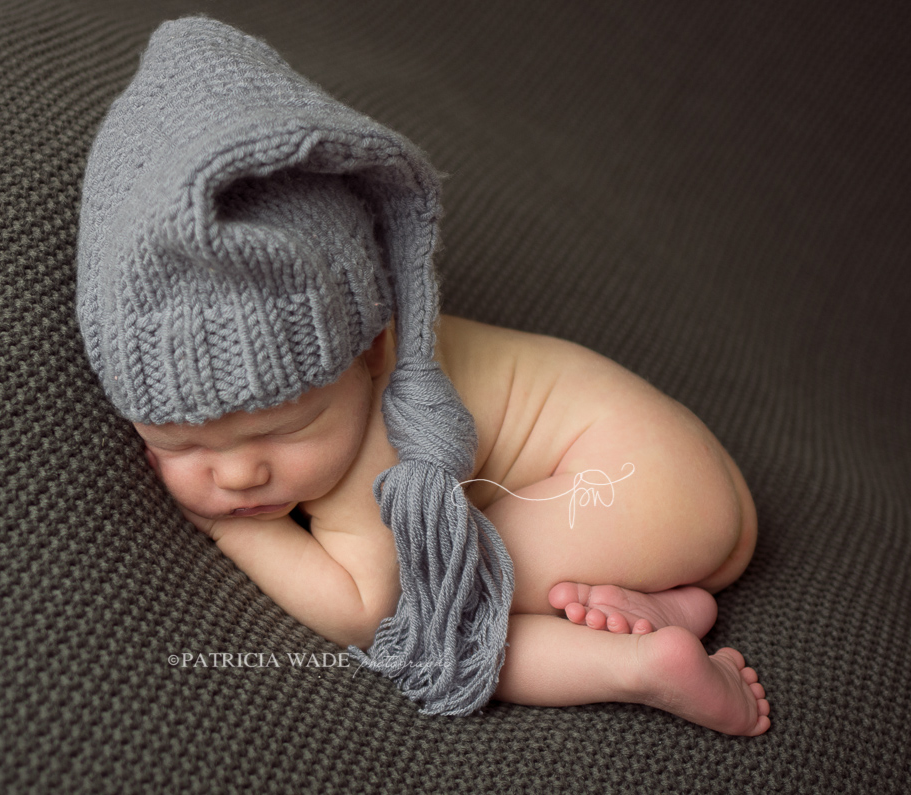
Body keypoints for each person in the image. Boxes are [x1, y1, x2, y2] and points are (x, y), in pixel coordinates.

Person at [77, 16, 769, 735]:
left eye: (283, 429)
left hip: (633, 483)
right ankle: (674, 604)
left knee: (440, 613)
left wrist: (239, 537)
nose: (240, 473)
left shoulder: (378, 434)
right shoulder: (338, 379)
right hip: (674, 485)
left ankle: (646, 667)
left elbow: (359, 606)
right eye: (183, 445)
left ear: (374, 352)